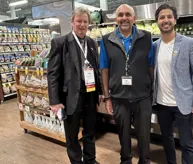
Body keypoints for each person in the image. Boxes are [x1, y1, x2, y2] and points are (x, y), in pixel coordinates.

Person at [152, 3, 193, 164]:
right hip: (162, 104)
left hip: (183, 103)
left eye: (169, 16)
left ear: (175, 20)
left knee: (187, 143)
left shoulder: (190, 43)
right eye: (162, 17)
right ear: (157, 21)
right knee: (167, 141)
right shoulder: (154, 46)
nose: (165, 20)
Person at [99, 4, 154, 164]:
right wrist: (107, 97)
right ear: (116, 19)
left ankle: (144, 161)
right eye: (120, 15)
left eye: (128, 14)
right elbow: (104, 69)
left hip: (142, 96)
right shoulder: (106, 40)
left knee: (144, 135)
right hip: (119, 97)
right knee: (123, 135)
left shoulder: (146, 37)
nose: (124, 18)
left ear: (134, 18)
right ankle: (126, 161)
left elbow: (150, 65)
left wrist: (152, 89)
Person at [47, 7, 102, 164]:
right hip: (70, 97)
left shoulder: (92, 43)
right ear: (72, 22)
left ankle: (90, 160)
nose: (82, 25)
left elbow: (96, 70)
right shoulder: (60, 43)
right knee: (71, 135)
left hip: (90, 95)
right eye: (79, 21)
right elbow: (53, 74)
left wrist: (100, 92)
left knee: (90, 131)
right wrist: (54, 101)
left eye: (85, 22)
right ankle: (76, 161)